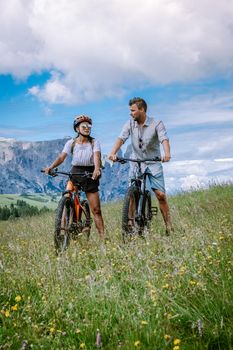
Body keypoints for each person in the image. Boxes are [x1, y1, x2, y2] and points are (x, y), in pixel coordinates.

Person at [108, 97, 173, 235]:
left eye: (133, 110)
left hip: (153, 161)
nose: (130, 113)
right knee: (133, 192)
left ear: (142, 109)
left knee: (160, 195)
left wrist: (167, 154)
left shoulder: (157, 123)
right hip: (136, 161)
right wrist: (113, 152)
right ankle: (130, 225)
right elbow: (121, 138)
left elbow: (164, 139)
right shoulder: (130, 124)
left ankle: (169, 226)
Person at [43, 115, 105, 240]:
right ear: (77, 129)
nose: (87, 128)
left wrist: (97, 169)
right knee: (67, 197)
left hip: (90, 173)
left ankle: (104, 238)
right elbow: (62, 157)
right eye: (84, 126)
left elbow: (96, 156)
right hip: (75, 172)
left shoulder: (94, 142)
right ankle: (65, 228)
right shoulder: (71, 143)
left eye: (89, 126)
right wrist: (51, 167)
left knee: (96, 210)